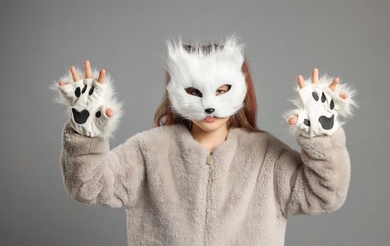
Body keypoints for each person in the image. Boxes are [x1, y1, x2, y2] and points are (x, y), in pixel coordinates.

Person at [55, 37, 356, 245]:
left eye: (222, 89)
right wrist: (87, 131)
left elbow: (325, 195)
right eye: (195, 93)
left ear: (241, 89)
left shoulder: (266, 156)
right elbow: (88, 186)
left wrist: (321, 136)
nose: (209, 106)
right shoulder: (149, 151)